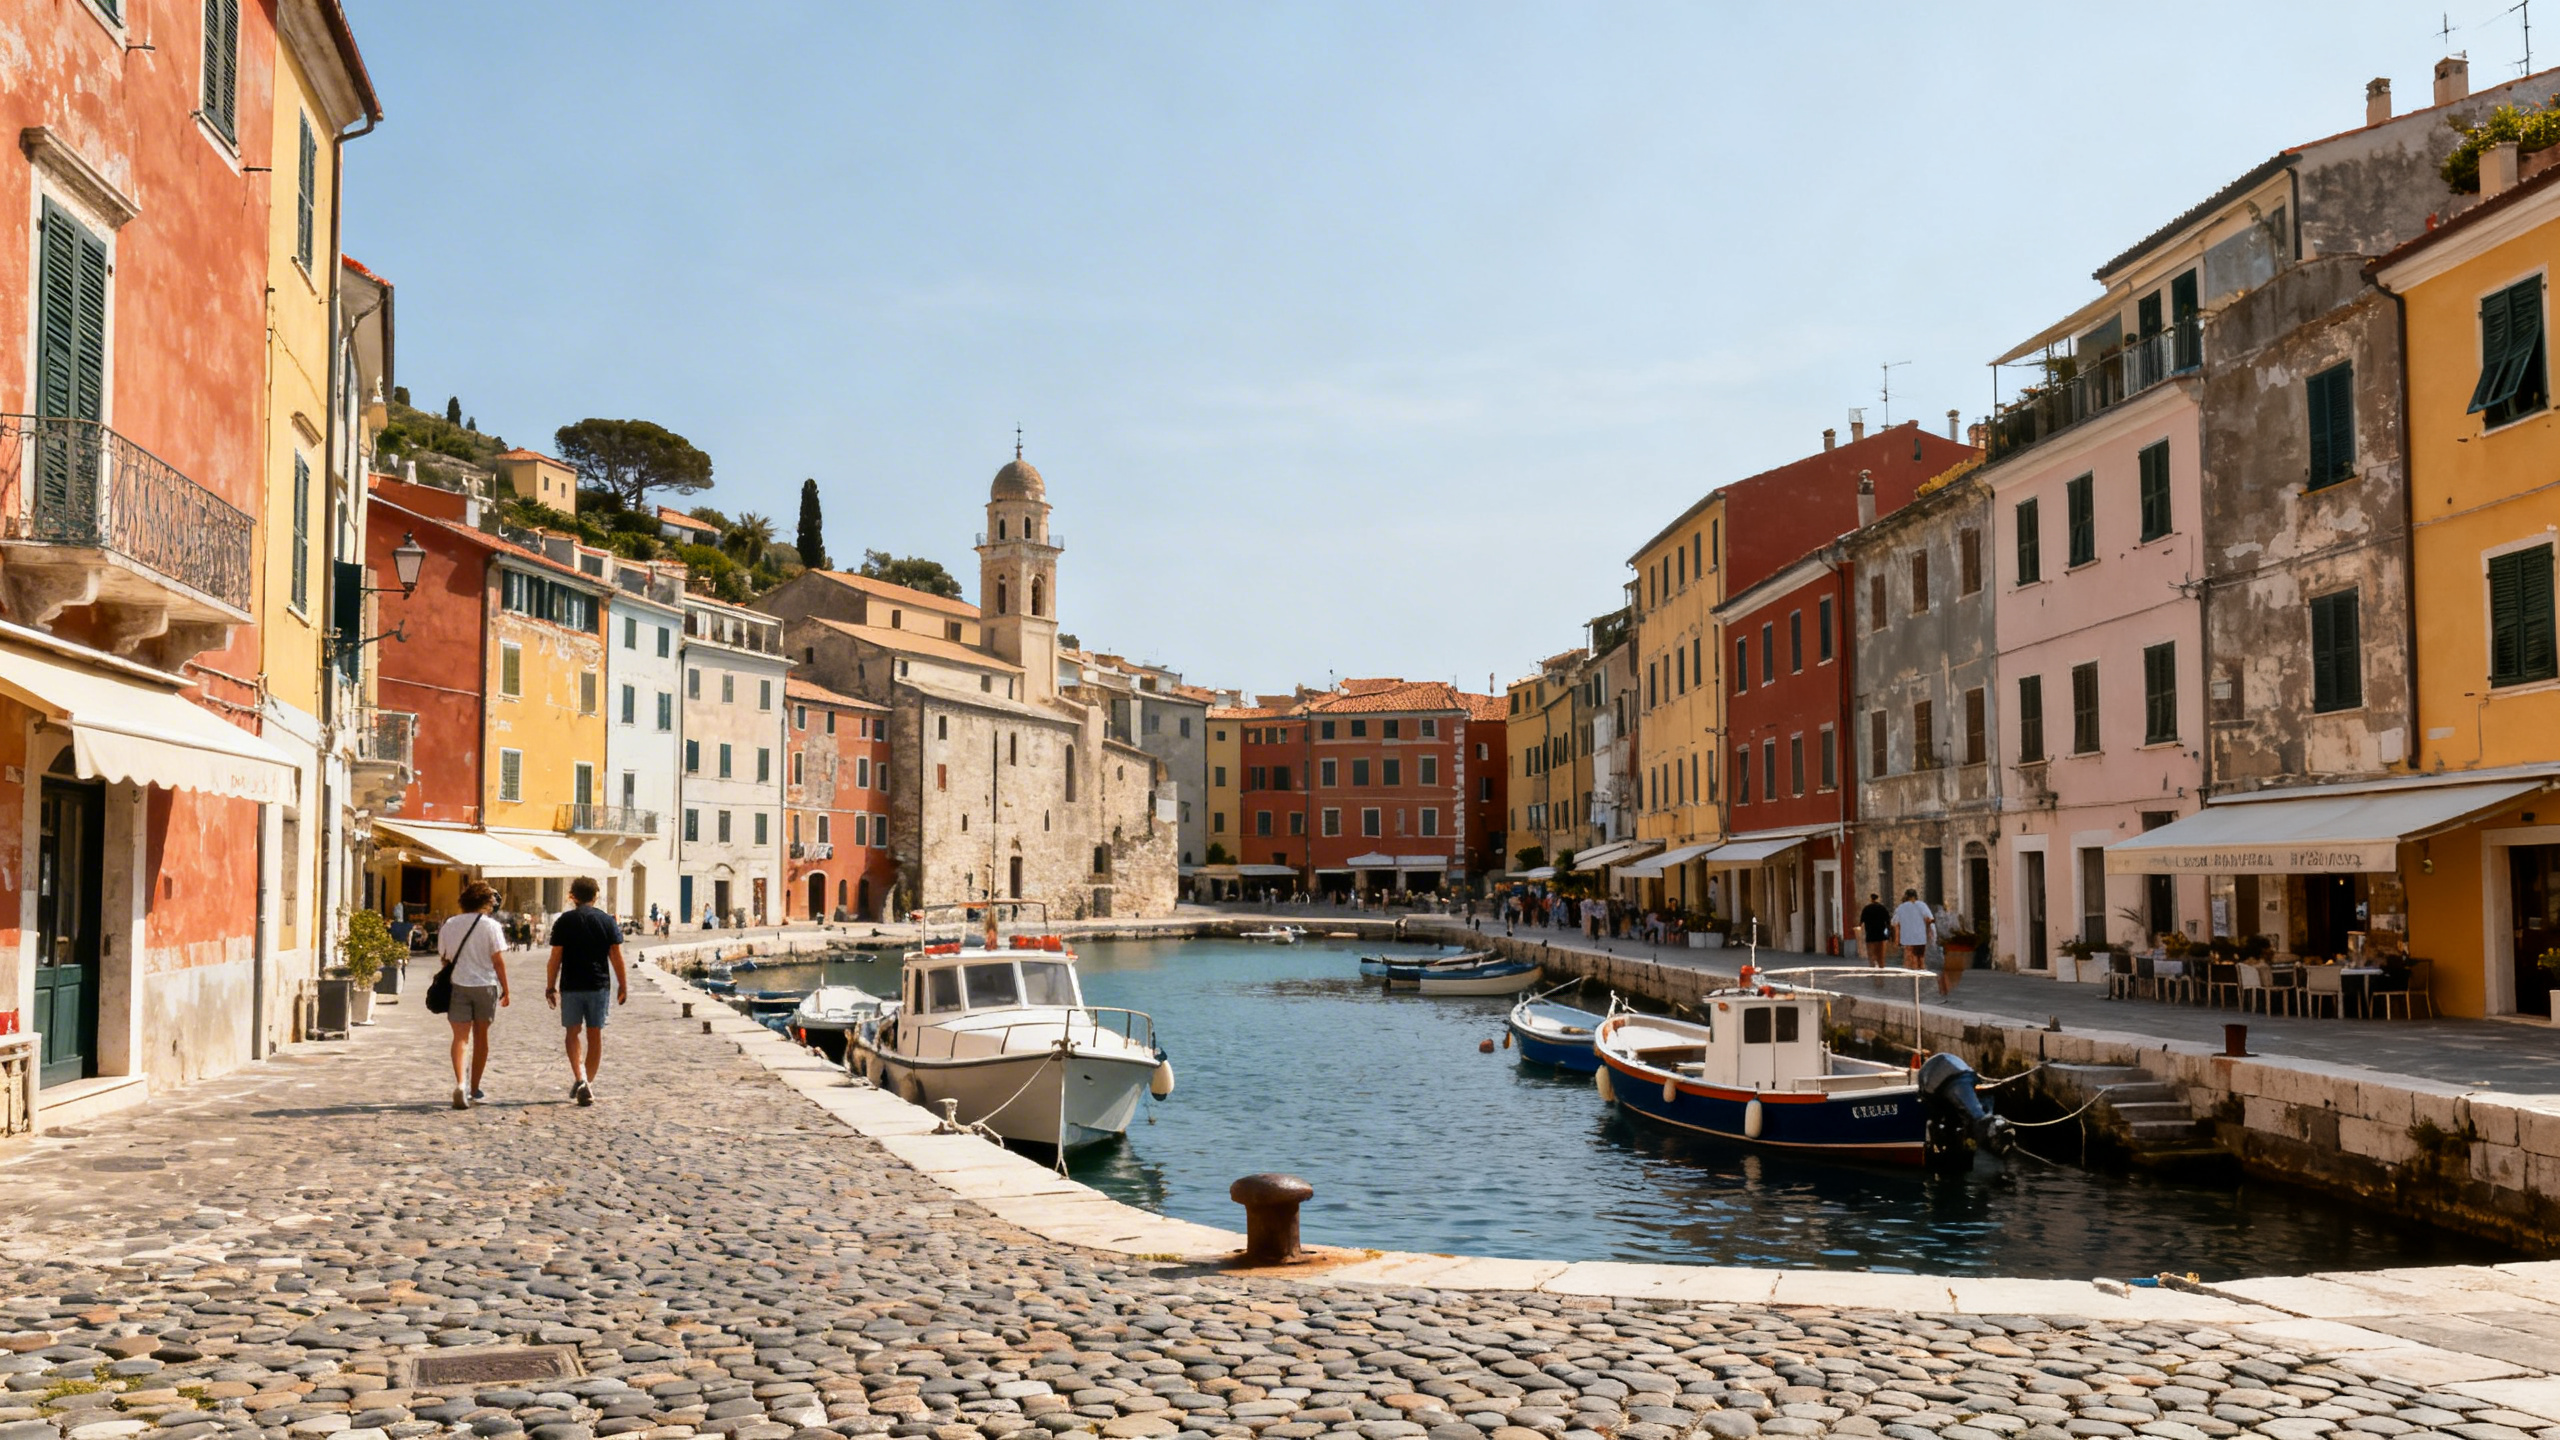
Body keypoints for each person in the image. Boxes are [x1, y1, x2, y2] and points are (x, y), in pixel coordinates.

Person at [545, 875, 629, 1106]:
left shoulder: (564, 921)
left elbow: (555, 957)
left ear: (573, 896)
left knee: (572, 1033)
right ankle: (587, 1083)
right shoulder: (607, 921)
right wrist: (623, 984)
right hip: (598, 985)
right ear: (595, 896)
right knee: (595, 1034)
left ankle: (580, 1078)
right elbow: (616, 956)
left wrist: (550, 986)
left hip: (571, 985)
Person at [437, 882, 510, 1109]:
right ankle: (475, 1088)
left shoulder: (450, 924)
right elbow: (498, 961)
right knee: (481, 1037)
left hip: (458, 984)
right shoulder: (491, 926)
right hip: (485, 986)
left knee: (460, 1038)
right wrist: (506, 988)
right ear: (486, 903)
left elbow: (445, 958)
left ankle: (460, 1083)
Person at [1893, 888, 1936, 978]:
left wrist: (1897, 938)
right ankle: (1921, 975)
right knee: (1920, 957)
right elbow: (1930, 920)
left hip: (1907, 936)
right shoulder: (1922, 905)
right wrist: (1931, 934)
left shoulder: (1901, 907)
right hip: (1920, 936)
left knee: (1909, 956)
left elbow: (1895, 923)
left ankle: (1911, 976)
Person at [1859, 893, 1892, 968]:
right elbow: (1888, 921)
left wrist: (1859, 928)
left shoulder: (1866, 908)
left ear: (1871, 899)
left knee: (1871, 953)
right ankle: (1881, 966)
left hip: (1870, 933)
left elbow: (1861, 922)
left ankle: (1872, 966)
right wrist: (1889, 933)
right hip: (1881, 934)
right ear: (1878, 899)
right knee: (1881, 953)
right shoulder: (1882, 908)